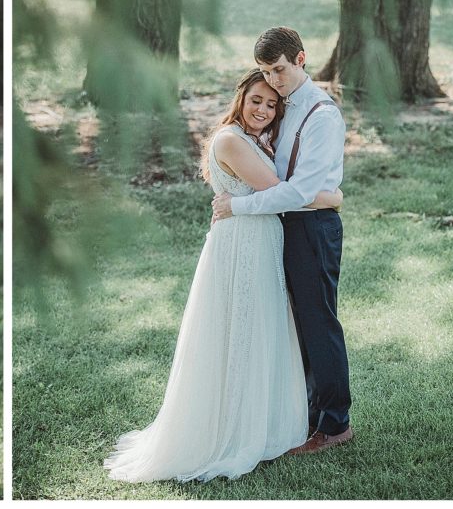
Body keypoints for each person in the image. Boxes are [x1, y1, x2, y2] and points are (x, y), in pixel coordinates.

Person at [104, 69, 343, 483]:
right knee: (242, 332)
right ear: (240, 97)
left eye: (272, 104)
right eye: (257, 100)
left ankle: (266, 418)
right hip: (244, 246)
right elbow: (283, 189)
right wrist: (333, 197)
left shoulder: (251, 139)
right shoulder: (232, 139)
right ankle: (235, 427)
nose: (265, 110)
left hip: (259, 241)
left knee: (258, 330)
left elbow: (279, 191)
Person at [212, 26, 353, 454]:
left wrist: (236, 207)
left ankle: (334, 425)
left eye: (278, 70)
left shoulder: (321, 115)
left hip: (312, 227)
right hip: (285, 224)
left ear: (300, 60)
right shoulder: (283, 107)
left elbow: (297, 191)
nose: (272, 81)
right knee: (294, 324)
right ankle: (305, 415)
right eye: (264, 73)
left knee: (318, 321)